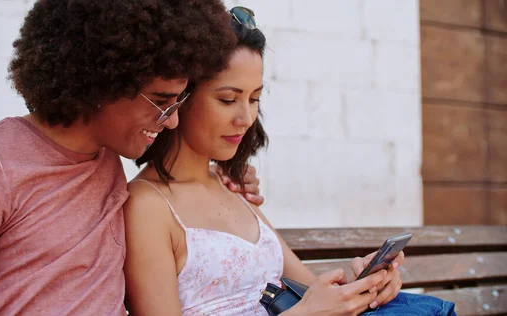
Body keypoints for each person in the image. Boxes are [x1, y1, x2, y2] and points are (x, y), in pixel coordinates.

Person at [0, 1, 265, 315]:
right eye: (161, 100)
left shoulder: (106, 159)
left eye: (178, 102)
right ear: (104, 81)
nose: (171, 120)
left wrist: (228, 177)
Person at [123, 6, 456, 316]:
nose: (246, 117)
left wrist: (365, 285)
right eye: (228, 99)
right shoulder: (147, 205)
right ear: (181, 96)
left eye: (254, 98)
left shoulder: (232, 189)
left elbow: (310, 291)